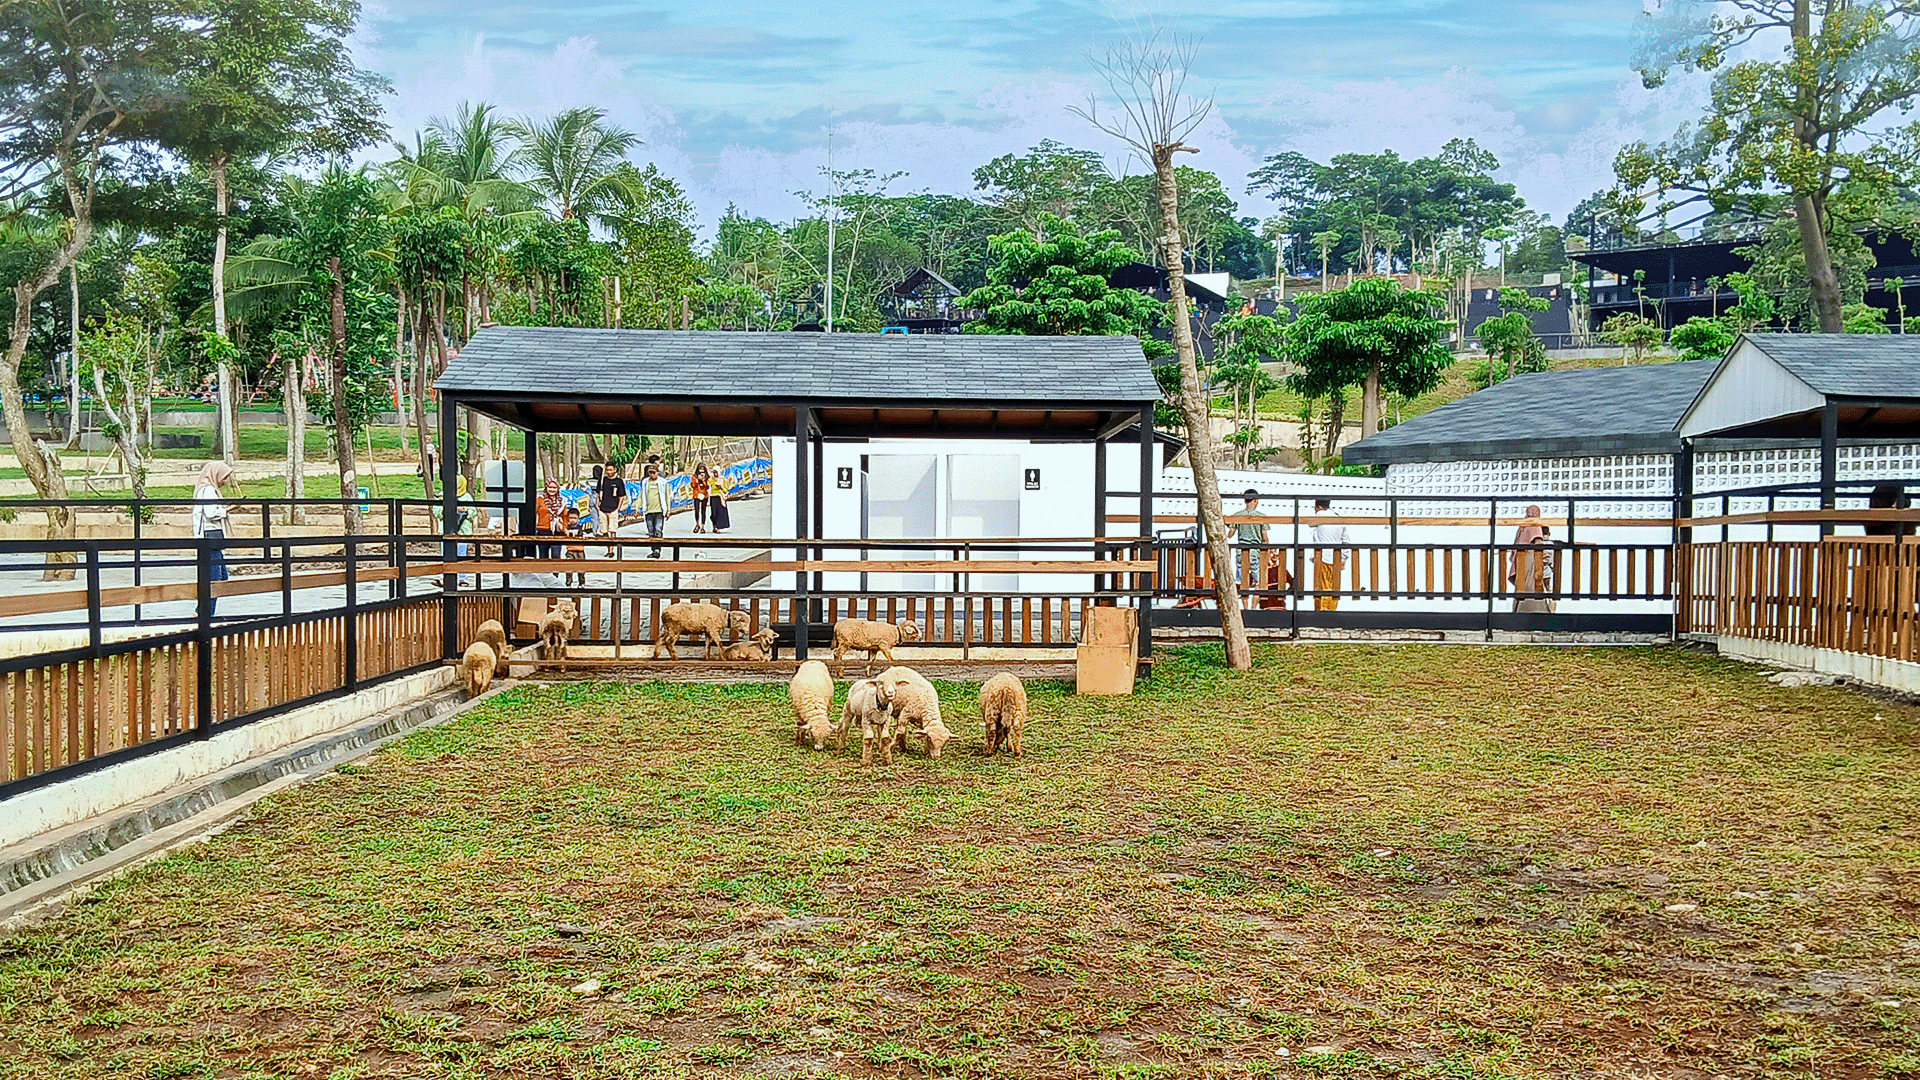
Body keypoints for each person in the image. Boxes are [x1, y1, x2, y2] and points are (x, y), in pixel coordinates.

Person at [192, 461, 236, 610]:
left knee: (220, 576)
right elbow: (211, 513)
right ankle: (206, 614)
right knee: (215, 579)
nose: (225, 481)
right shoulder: (208, 490)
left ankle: (201, 610)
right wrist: (229, 509)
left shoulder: (207, 489)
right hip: (209, 539)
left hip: (211, 538)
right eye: (224, 477)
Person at [1232, 489, 1268, 605]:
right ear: (1256, 500)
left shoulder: (1237, 515)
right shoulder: (1261, 516)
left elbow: (1230, 534)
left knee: (1243, 582)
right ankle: (1253, 607)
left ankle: (1245, 607)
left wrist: (1229, 525)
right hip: (1254, 552)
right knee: (1258, 582)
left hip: (1241, 552)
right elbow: (1265, 537)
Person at [1310, 499, 1347, 611]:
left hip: (1322, 557)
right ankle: (1332, 610)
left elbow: (1309, 523)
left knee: (1322, 586)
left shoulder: (1320, 515)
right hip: (1336, 558)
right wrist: (1343, 558)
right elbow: (1346, 540)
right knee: (1334, 587)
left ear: (1319, 506)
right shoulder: (1339, 518)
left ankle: (1322, 612)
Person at [1511, 535, 1557, 612]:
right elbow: (1549, 560)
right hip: (1545, 575)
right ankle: (1550, 609)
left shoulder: (1531, 546)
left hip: (1538, 575)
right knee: (1548, 592)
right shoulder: (1549, 544)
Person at [637, 462, 671, 558]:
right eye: (650, 473)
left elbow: (667, 497)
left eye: (654, 473)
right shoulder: (645, 482)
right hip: (648, 511)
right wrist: (637, 507)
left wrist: (668, 510)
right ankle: (653, 549)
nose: (652, 475)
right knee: (651, 531)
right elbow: (641, 495)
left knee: (658, 530)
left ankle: (657, 550)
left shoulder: (663, 482)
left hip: (659, 510)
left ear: (658, 473)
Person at [595, 462, 626, 555]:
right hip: (603, 508)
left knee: (613, 530)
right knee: (604, 530)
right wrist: (597, 505)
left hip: (613, 509)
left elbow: (621, 496)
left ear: (615, 469)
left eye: (611, 470)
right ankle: (608, 547)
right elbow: (598, 493)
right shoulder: (602, 481)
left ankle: (611, 550)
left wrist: (618, 508)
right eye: (607, 470)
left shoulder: (619, 482)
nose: (609, 472)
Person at [534, 477, 566, 559]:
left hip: (557, 532)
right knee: (543, 556)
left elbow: (565, 517)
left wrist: (564, 528)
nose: (552, 490)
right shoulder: (540, 500)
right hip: (543, 530)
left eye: (554, 487)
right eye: (550, 487)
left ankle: (555, 568)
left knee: (556, 556)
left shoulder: (562, 501)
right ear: (546, 488)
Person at [689, 460, 713, 533]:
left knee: (703, 511)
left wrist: (703, 480)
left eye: (703, 469)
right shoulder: (694, 477)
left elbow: (708, 487)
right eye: (700, 469)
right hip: (697, 494)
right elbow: (693, 485)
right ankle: (697, 524)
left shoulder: (707, 477)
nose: (701, 471)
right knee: (696, 510)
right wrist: (697, 481)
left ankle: (703, 526)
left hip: (704, 494)